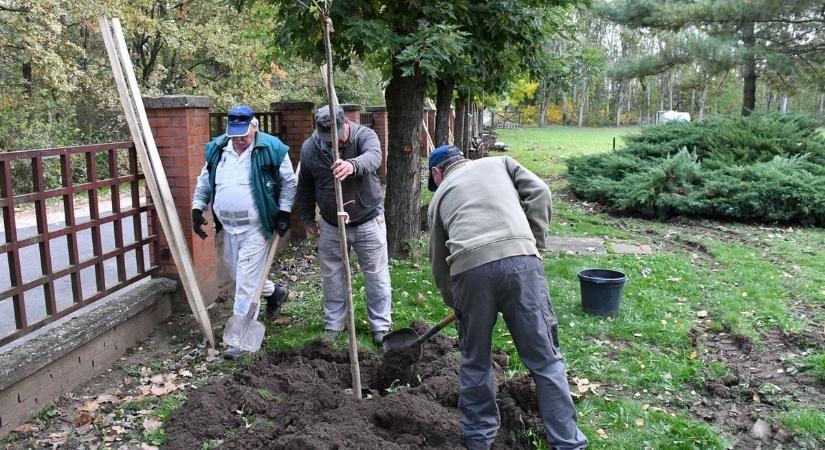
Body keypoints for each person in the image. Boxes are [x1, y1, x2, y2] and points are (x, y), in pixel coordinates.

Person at [427, 145, 588, 450]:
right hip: (521, 262)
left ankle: (478, 441)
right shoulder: (500, 163)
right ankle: (568, 444)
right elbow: (540, 192)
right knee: (546, 361)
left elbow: (438, 263)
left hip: (469, 271)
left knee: (476, 363)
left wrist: (456, 303)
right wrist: (534, 244)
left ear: (437, 173)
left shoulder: (440, 195)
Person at [191, 105, 296, 359]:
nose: (238, 139)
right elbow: (205, 181)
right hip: (229, 228)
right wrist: (197, 207)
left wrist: (284, 212)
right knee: (239, 275)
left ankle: (238, 339)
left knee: (246, 282)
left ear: (254, 126)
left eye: (243, 134)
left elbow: (289, 182)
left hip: (256, 226)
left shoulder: (272, 148)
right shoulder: (218, 149)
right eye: (234, 134)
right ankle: (275, 292)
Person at [296, 104, 391, 346]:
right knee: (332, 276)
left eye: (337, 137)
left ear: (346, 123)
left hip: (368, 219)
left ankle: (380, 326)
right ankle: (334, 325)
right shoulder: (310, 148)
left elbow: (374, 157)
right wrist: (308, 219)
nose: (333, 143)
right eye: (328, 139)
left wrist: (352, 165)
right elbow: (305, 186)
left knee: (376, 275)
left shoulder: (364, 136)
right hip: (331, 224)